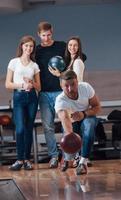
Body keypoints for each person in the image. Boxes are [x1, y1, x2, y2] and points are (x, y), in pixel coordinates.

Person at [36, 21, 86, 168]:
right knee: (48, 127)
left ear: (52, 32)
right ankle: (53, 156)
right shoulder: (36, 51)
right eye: (44, 35)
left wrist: (62, 73)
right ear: (39, 35)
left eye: (49, 35)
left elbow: (80, 56)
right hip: (44, 93)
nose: (46, 38)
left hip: (61, 93)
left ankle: (68, 157)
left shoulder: (61, 46)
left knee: (66, 125)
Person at [55, 70, 101, 175]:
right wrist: (70, 135)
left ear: (77, 82)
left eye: (73, 84)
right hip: (71, 121)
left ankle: (83, 162)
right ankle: (67, 158)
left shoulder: (85, 87)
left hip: (87, 115)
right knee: (68, 135)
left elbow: (97, 107)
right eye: (66, 86)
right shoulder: (60, 100)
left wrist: (83, 114)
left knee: (89, 126)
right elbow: (65, 118)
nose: (70, 89)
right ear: (61, 85)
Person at [5, 35, 41, 170]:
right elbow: (8, 84)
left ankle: (26, 159)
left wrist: (32, 83)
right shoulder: (14, 62)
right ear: (22, 46)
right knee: (19, 129)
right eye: (26, 45)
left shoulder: (35, 65)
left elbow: (39, 87)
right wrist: (22, 84)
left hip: (32, 98)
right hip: (19, 97)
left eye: (31, 46)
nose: (28, 48)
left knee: (28, 129)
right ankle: (19, 160)